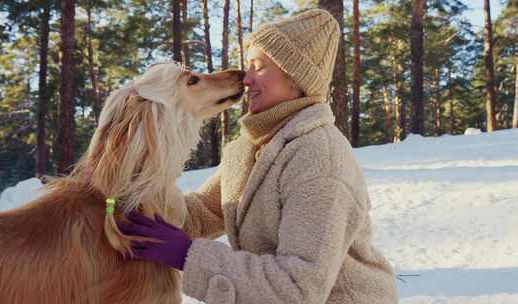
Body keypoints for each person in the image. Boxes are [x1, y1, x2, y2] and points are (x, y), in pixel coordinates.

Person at [119, 8, 398, 304]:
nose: (246, 78)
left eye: (258, 66)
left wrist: (188, 255)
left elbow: (297, 285)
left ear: (296, 78)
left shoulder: (319, 157)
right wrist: (133, 210)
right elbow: (204, 211)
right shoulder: (251, 146)